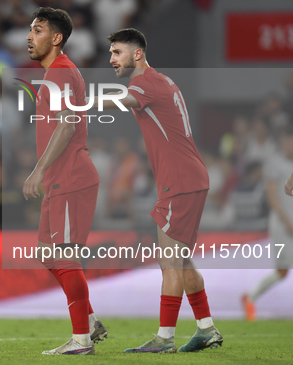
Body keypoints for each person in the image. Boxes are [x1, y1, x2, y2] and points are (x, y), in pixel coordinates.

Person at [92, 28, 223, 353]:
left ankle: (165, 338)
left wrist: (80, 105)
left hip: (179, 181)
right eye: (110, 53)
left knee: (169, 261)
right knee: (181, 260)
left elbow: (120, 102)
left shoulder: (144, 82)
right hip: (188, 178)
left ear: (137, 54)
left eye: (117, 52)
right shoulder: (162, 80)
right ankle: (206, 329)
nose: (112, 59)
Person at [23, 7, 105, 356]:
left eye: (38, 30)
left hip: (70, 176)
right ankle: (90, 322)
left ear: (56, 38)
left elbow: (68, 123)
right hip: (62, 180)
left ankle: (81, 340)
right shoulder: (60, 72)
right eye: (30, 29)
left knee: (66, 256)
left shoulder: (59, 72)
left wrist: (38, 170)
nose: (30, 36)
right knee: (47, 253)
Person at [243, 128, 293, 319]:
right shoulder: (274, 163)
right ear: (284, 141)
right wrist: (287, 221)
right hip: (284, 226)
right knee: (282, 272)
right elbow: (271, 195)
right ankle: (250, 298)